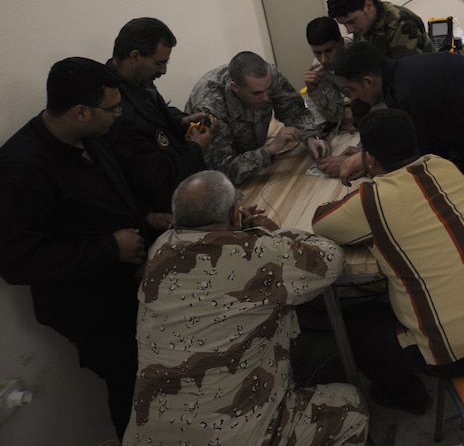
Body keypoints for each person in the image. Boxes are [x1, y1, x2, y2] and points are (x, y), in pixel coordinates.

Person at [122, 170, 368, 445]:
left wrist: (239, 231)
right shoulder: (255, 253)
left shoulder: (160, 249)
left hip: (147, 437)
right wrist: (271, 232)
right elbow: (331, 259)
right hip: (235, 436)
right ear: (234, 214)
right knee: (351, 406)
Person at [312, 109, 464, 415]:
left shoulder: (372, 200)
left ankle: (408, 396)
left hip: (459, 355)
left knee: (350, 325)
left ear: (368, 159)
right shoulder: (445, 167)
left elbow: (321, 223)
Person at [0, 57, 168, 439]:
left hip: (129, 288)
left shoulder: (92, 135)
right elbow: (18, 262)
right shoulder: (22, 170)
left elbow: (104, 200)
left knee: (158, 380)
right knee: (132, 389)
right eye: (112, 108)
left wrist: (146, 218)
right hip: (92, 309)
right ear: (80, 112)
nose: (119, 115)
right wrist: (109, 248)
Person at [334, 42, 464, 289]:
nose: (353, 98)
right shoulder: (405, 73)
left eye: (352, 90)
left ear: (368, 81)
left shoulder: (409, 91)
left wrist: (368, 160)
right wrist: (366, 154)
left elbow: (414, 159)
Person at [106, 17, 214, 214]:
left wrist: (181, 121)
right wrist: (195, 149)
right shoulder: (114, 109)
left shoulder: (138, 81)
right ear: (135, 56)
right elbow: (151, 175)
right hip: (165, 210)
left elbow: (155, 119)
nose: (163, 71)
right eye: (159, 63)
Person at [185, 51, 327, 184]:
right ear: (235, 87)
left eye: (268, 90)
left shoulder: (268, 77)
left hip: (254, 161)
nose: (266, 98)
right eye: (256, 93)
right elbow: (224, 170)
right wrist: (271, 149)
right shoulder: (210, 106)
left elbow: (295, 112)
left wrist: (310, 137)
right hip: (216, 180)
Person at [304, 16, 364, 178]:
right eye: (317, 53)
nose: (323, 59)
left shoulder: (361, 54)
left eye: (329, 50)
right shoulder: (319, 68)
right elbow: (337, 116)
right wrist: (314, 90)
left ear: (341, 43)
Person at [326, 0, 436, 58]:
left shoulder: (400, 23)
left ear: (368, 6)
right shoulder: (364, 26)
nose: (349, 30)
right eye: (344, 24)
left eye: (352, 22)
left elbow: (405, 75)